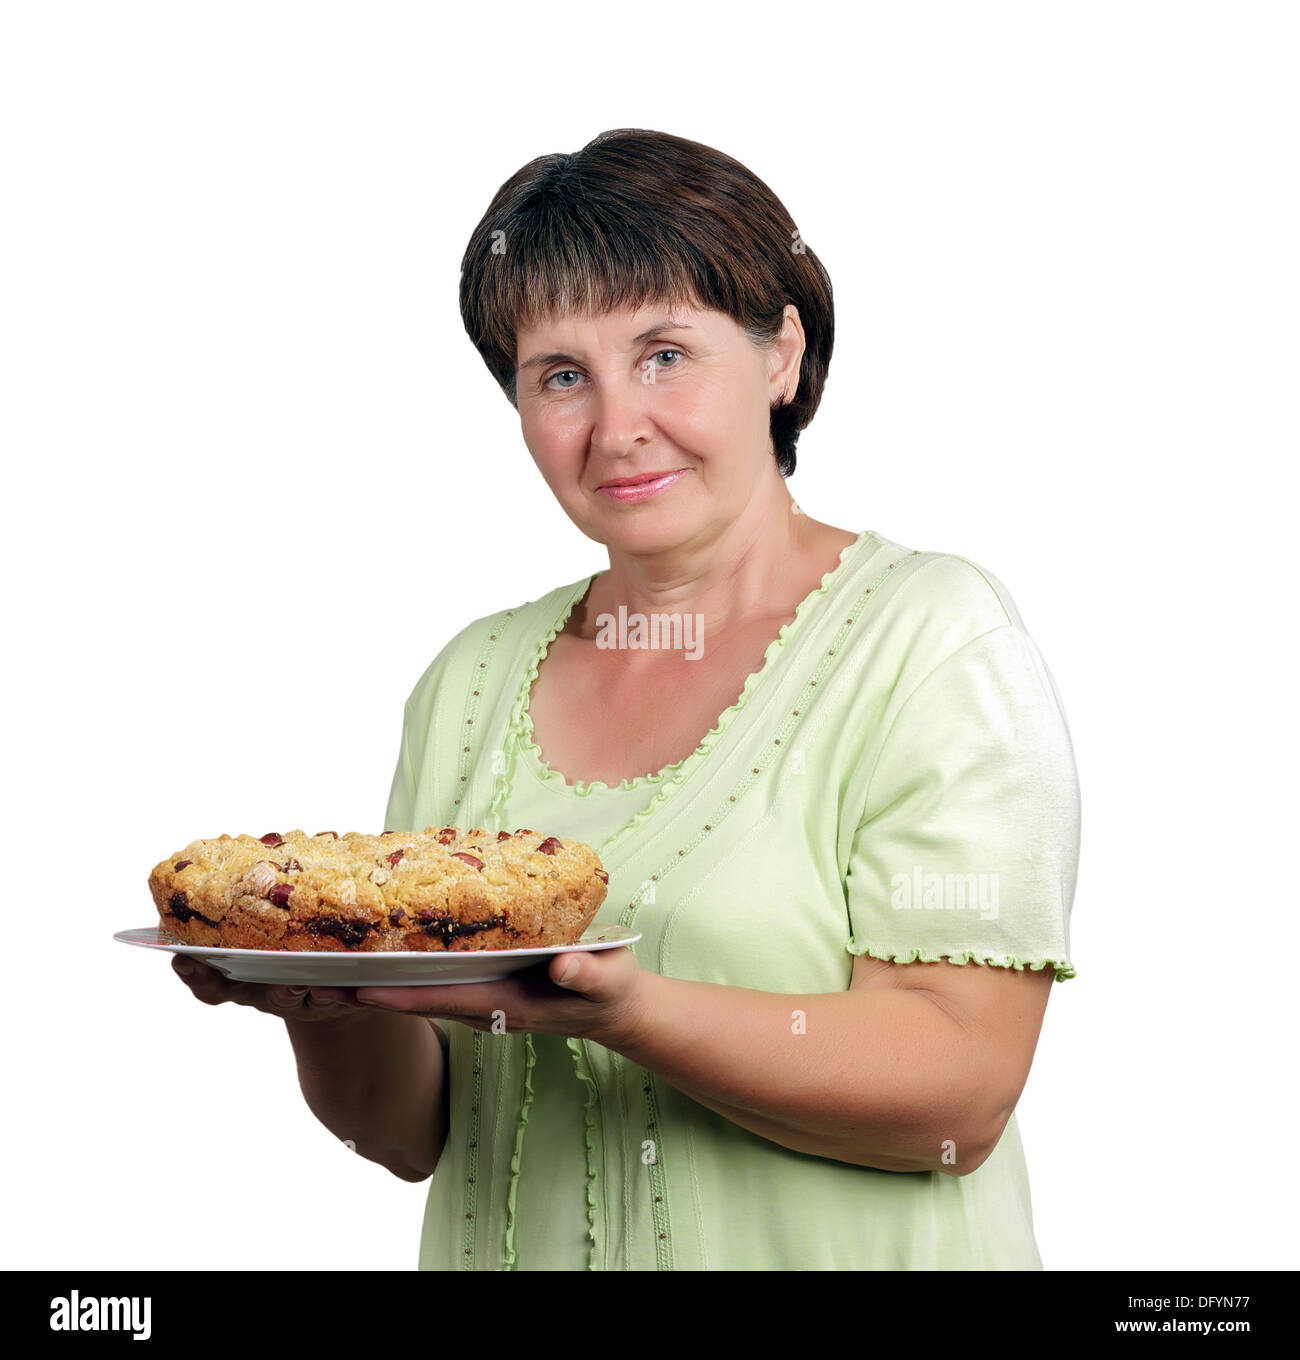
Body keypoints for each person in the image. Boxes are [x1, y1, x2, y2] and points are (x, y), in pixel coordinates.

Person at [174, 128, 1080, 1271]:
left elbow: (957, 1098)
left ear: (781, 356)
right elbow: (411, 1134)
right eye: (562, 375)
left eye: (663, 353)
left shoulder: (929, 640)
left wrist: (627, 1011)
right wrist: (331, 997)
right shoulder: (469, 684)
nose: (616, 426)